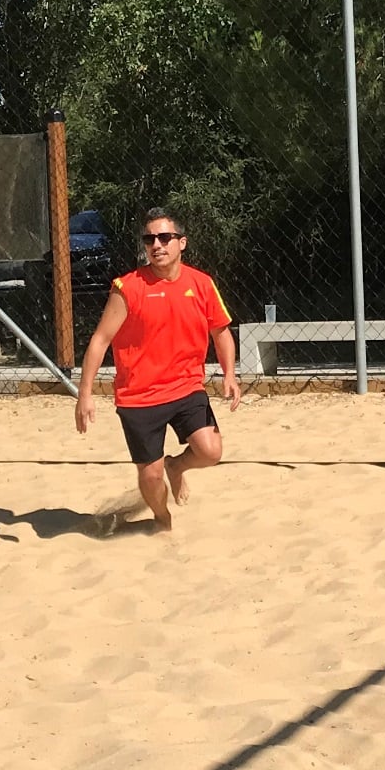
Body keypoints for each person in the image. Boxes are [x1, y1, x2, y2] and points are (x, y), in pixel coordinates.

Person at [73, 207, 240, 531]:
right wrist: (85, 394)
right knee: (150, 476)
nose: (157, 244)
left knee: (211, 451)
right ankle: (163, 520)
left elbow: (221, 333)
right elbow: (100, 340)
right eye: (150, 239)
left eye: (165, 237)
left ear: (182, 243)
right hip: (139, 396)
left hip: (185, 387)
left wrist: (229, 375)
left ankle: (176, 466)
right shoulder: (128, 287)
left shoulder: (201, 284)